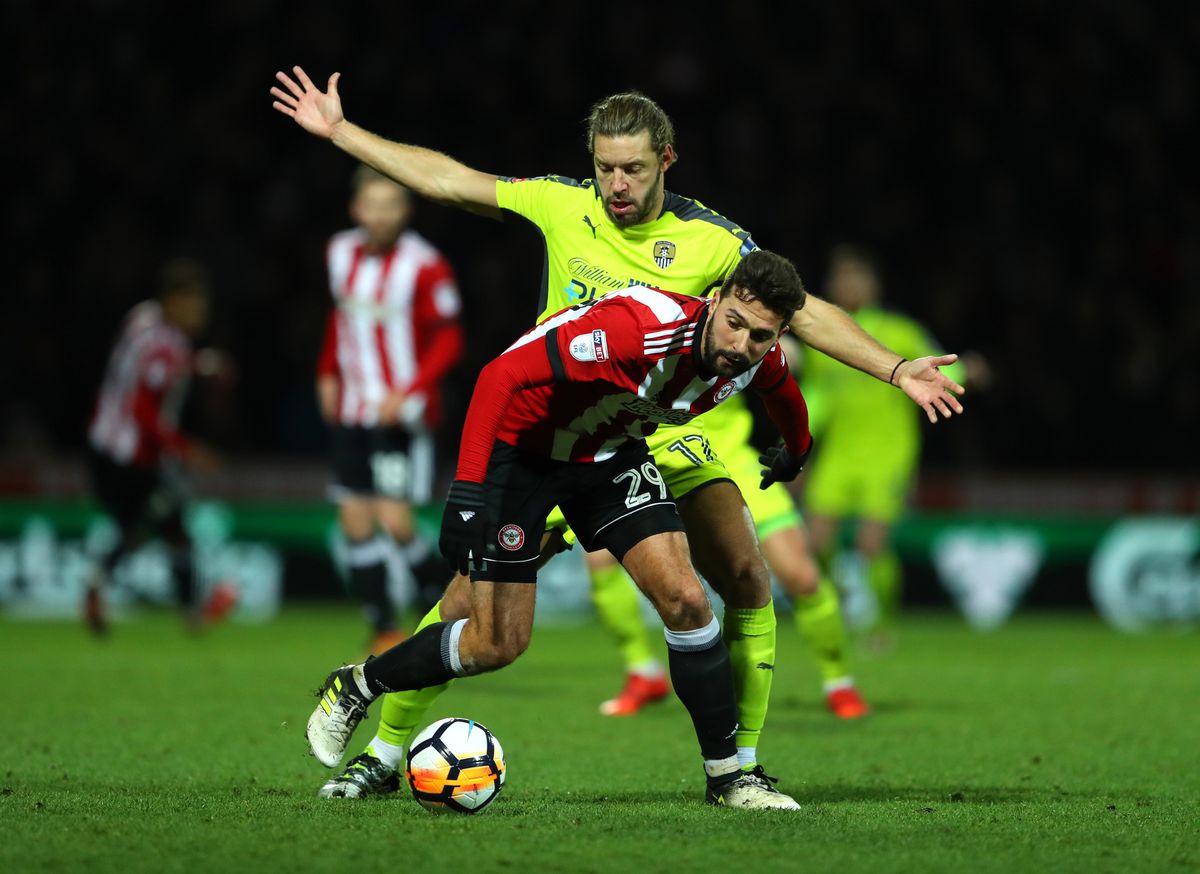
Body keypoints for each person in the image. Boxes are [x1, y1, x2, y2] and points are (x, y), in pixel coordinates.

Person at [270, 69, 964, 799]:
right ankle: (381, 750)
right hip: (542, 432)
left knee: (740, 578)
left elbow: (800, 315)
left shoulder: (712, 242)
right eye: (604, 168)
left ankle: (738, 770)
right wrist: (343, 132)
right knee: (471, 614)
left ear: (668, 160)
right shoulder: (562, 204)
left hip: (646, 433)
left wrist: (893, 370)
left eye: (632, 168)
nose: (615, 185)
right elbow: (449, 181)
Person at [308, 251, 816, 809]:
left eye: (759, 336)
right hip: (523, 455)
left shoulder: (751, 358)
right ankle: (361, 683)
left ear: (779, 334)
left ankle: (730, 779)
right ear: (716, 300)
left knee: (688, 600)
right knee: (497, 642)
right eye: (734, 324)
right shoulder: (637, 330)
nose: (740, 345)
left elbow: (783, 392)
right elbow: (500, 375)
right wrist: (469, 489)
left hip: (606, 458)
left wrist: (797, 449)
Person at [316, 165, 465, 655]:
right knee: (355, 522)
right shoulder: (339, 253)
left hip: (402, 416)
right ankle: (383, 627)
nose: (380, 216)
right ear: (356, 209)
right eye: (372, 206)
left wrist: (409, 389)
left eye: (391, 206)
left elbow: (449, 338)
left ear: (405, 211)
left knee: (397, 523)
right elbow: (340, 322)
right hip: (354, 412)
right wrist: (327, 373)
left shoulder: (425, 265)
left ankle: (450, 606)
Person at [797, 244, 980, 636]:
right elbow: (817, 400)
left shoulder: (900, 332)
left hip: (887, 454)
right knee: (815, 543)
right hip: (839, 455)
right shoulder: (824, 339)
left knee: (870, 546)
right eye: (839, 278)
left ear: (873, 284)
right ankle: (838, 600)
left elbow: (942, 368)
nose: (846, 284)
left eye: (854, 276)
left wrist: (968, 371)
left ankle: (880, 626)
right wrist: (799, 446)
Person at [83, 258, 237, 633]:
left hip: (103, 445)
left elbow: (152, 369)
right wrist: (186, 449)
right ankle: (188, 608)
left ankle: (103, 588)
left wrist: (199, 366)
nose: (201, 313)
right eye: (195, 304)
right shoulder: (162, 345)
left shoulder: (143, 319)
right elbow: (143, 410)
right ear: (175, 302)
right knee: (157, 522)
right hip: (132, 456)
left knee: (158, 524)